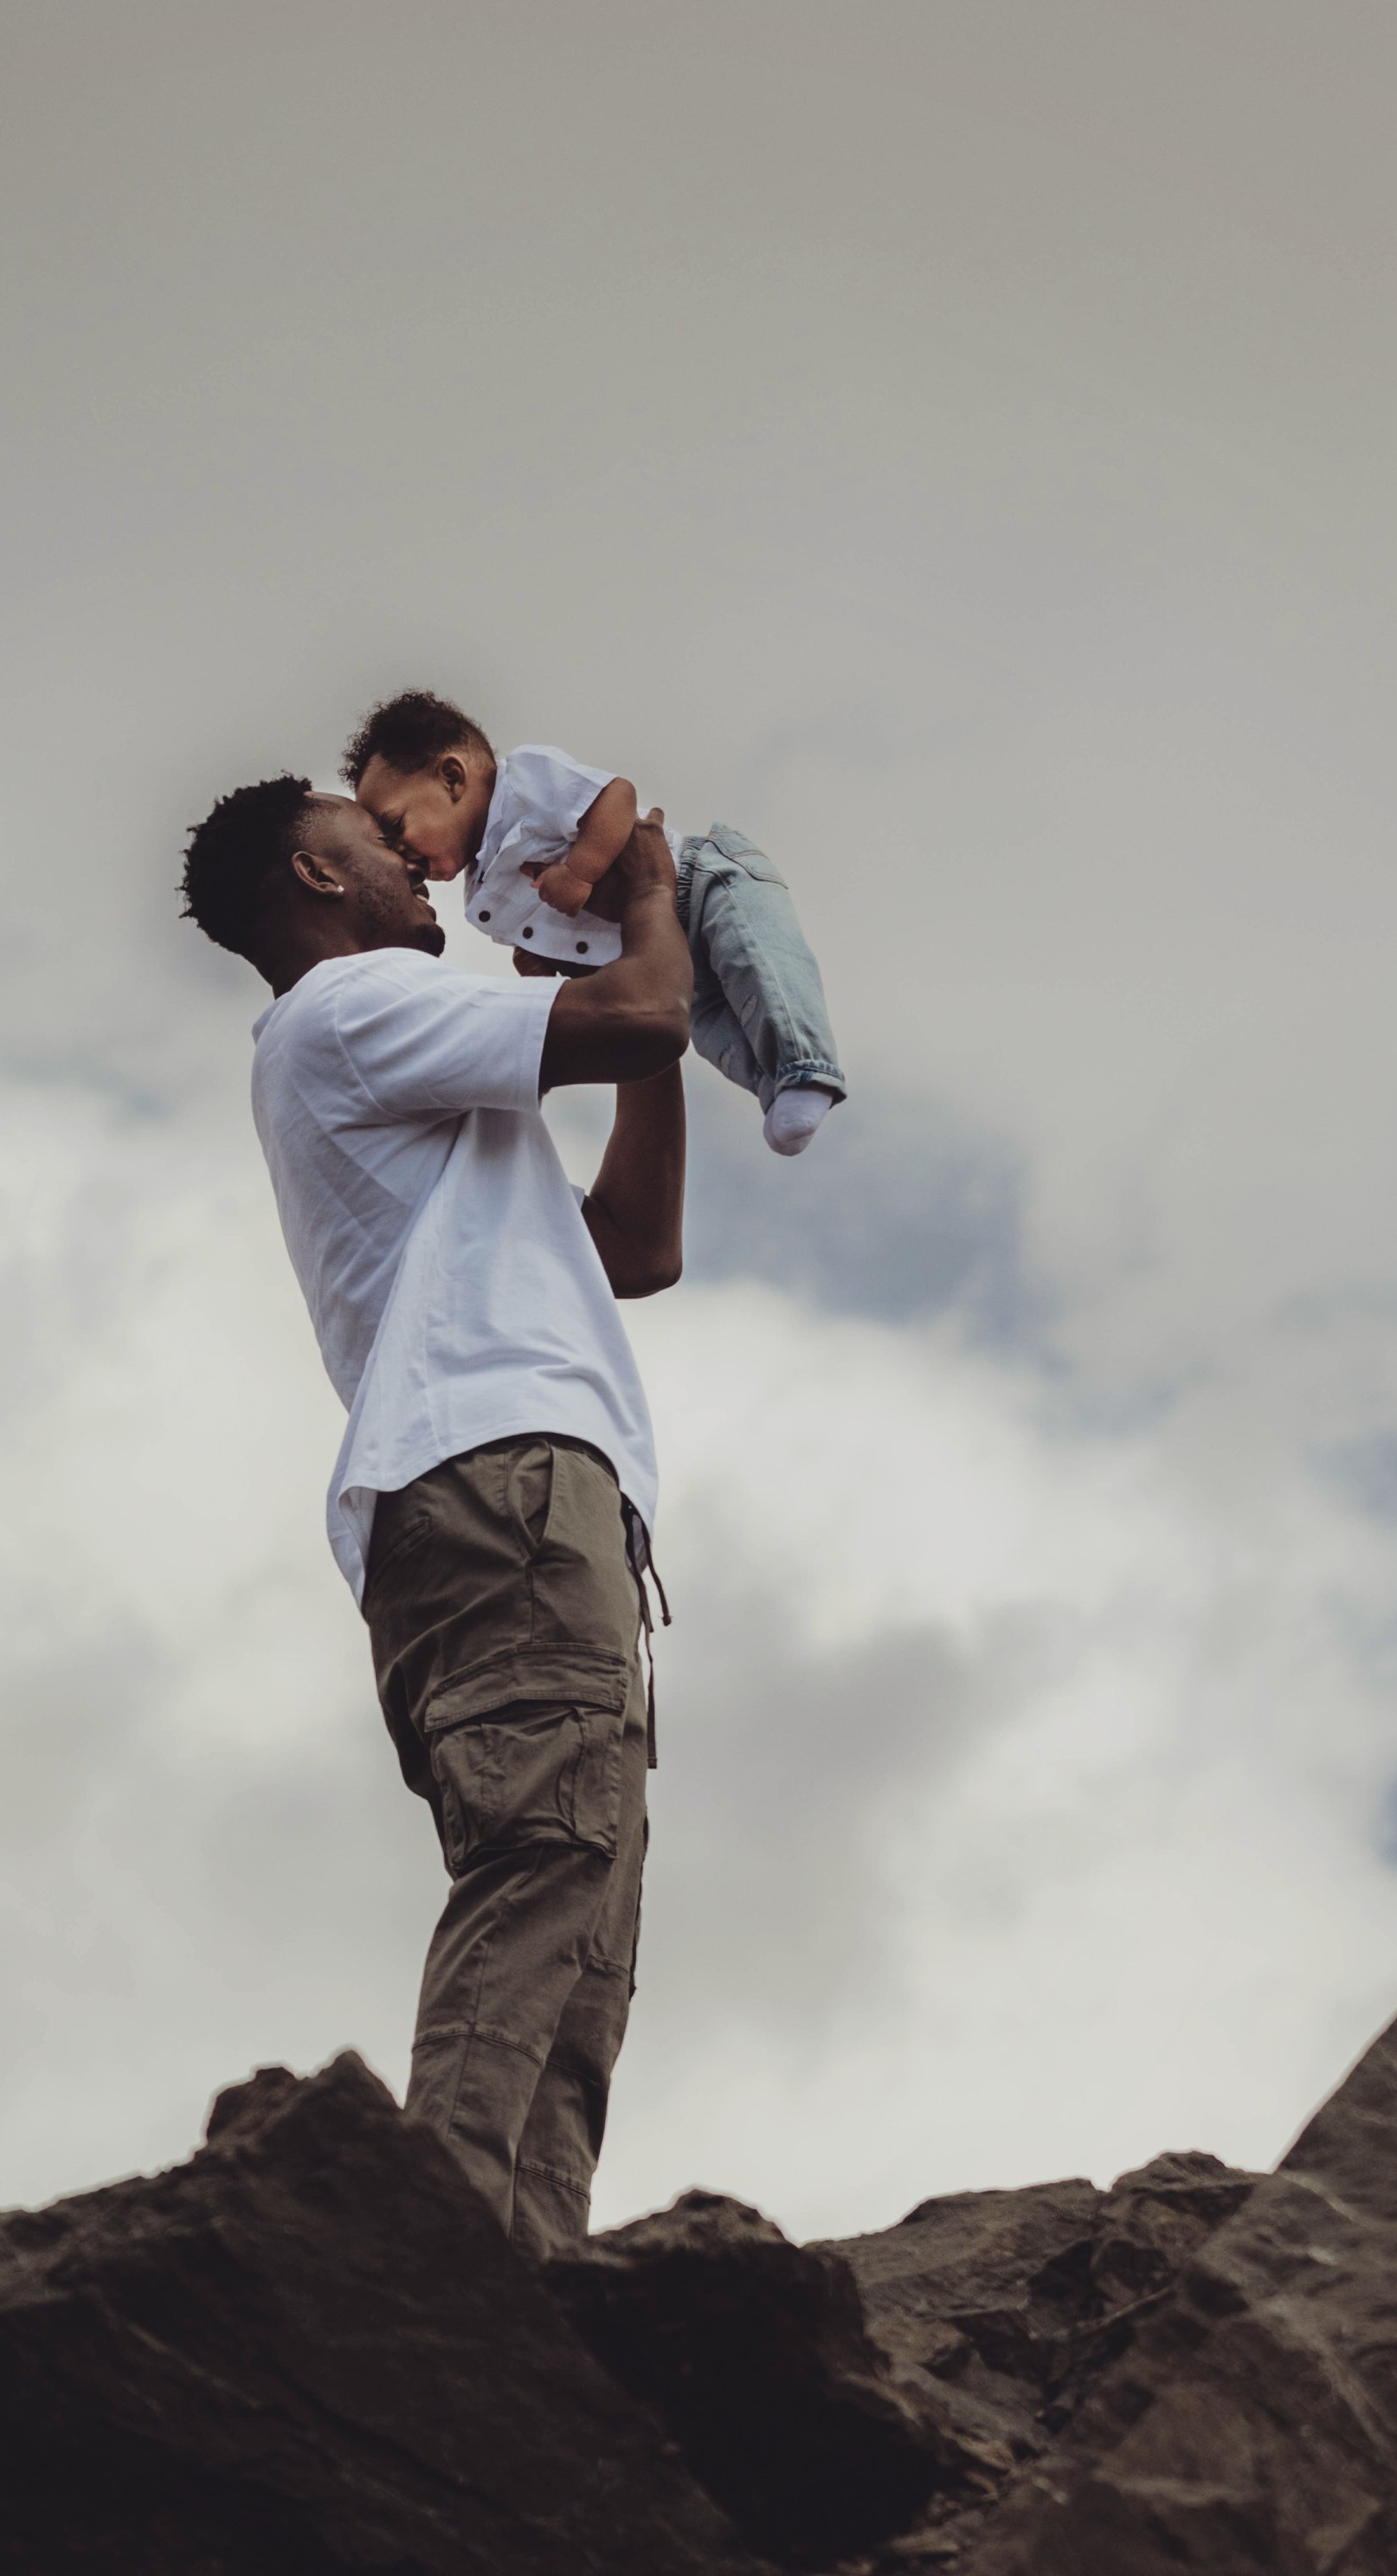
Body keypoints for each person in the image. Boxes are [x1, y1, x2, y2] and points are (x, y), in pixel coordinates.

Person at [178, 769, 691, 2258]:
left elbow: (637, 1247)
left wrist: (616, 987)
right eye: (373, 838)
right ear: (316, 877)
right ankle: (440, 2251)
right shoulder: (346, 1013)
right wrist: (646, 911)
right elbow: (647, 1020)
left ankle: (522, 2287)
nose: (415, 860)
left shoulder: (401, 1067)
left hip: (513, 1486)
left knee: (585, 1917)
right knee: (549, 1856)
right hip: (500, 1480)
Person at [342, 688, 846, 1158]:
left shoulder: (523, 783)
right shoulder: (480, 895)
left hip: (702, 881)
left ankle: (807, 1069)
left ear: (452, 778)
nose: (400, 856)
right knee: (713, 1026)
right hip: (663, 952)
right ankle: (772, 1085)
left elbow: (616, 797)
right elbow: (559, 933)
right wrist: (540, 961)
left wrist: (580, 871)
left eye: (394, 826)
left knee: (759, 963)